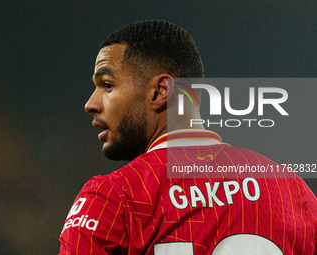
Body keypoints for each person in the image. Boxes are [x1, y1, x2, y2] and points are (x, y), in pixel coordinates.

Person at [58, 20, 317, 254]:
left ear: (160, 91)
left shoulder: (115, 197)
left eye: (107, 86)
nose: (90, 104)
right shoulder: (293, 191)